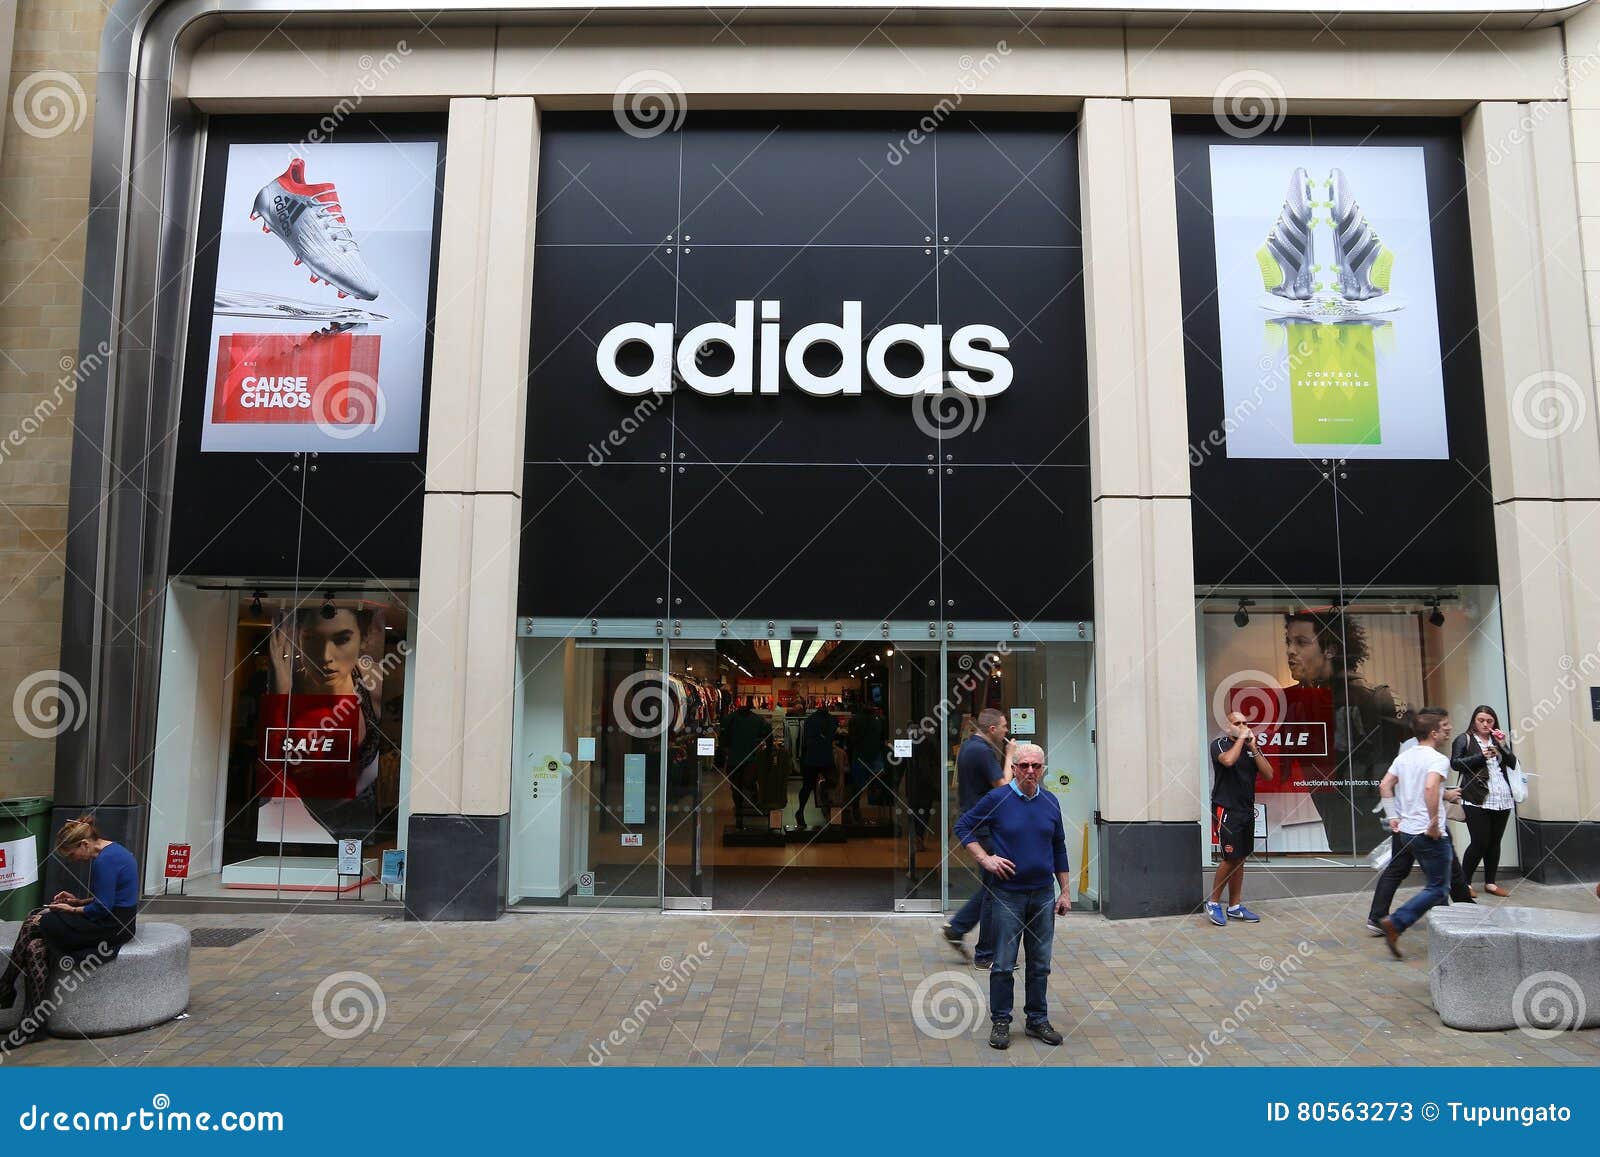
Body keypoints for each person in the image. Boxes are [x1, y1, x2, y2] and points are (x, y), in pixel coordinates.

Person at [954, 742, 1071, 1049]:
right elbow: (963, 825)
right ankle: (1001, 1022)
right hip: (1008, 895)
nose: (1030, 771)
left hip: (1043, 895)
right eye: (1024, 766)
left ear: (1043, 769)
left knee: (1040, 963)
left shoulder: (1050, 802)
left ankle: (1037, 1020)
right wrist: (985, 859)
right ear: (1015, 768)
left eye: (1036, 766)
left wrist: (1065, 891)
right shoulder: (998, 798)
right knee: (1003, 963)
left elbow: (1059, 846)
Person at [1, 816, 138, 1046]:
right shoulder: (112, 852)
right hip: (112, 920)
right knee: (35, 948)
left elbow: (102, 908)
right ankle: (32, 1026)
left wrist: (71, 910)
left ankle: (6, 985)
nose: (73, 860)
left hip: (110, 927)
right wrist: (76, 902)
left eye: (72, 854)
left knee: (35, 919)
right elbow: (106, 899)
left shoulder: (105, 860)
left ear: (84, 844)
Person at [1281, 611, 1404, 855]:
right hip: (1335, 820)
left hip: (1372, 818)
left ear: (1331, 650)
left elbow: (1390, 763)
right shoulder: (1295, 702)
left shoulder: (1372, 697)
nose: (1290, 651)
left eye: (1301, 642)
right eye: (1288, 642)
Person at [1376, 708, 1459, 959]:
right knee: (1438, 888)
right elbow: (1431, 786)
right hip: (1428, 833)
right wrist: (1434, 822)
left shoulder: (1405, 756)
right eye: (1444, 725)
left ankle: (1445, 935)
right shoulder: (1437, 759)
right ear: (1433, 732)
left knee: (1436, 884)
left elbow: (1385, 785)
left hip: (1407, 833)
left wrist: (1393, 817)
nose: (1449, 729)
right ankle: (1397, 922)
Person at [942, 708, 1013, 967]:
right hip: (982, 826)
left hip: (975, 822)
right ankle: (986, 954)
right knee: (994, 889)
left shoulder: (970, 746)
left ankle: (958, 928)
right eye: (1004, 726)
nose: (1007, 731)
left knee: (991, 885)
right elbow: (1004, 787)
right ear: (992, 729)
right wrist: (1011, 757)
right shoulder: (983, 752)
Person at [1205, 710, 1275, 925]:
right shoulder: (1220, 744)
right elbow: (1227, 761)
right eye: (1237, 723)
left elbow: (1268, 774)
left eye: (1245, 722)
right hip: (1226, 809)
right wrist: (1241, 739)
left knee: (1241, 856)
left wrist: (1253, 746)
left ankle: (1235, 906)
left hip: (1246, 809)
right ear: (1228, 727)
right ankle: (1213, 902)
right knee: (1229, 858)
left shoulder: (1250, 747)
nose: (1243, 725)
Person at [1451, 705, 1517, 897]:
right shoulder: (1464, 739)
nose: (1485, 724)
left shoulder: (1498, 741)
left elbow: (1512, 763)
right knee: (1480, 841)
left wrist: (1503, 745)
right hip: (1476, 798)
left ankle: (1490, 883)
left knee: (1495, 842)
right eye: (1481, 720)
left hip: (1501, 796)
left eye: (1489, 721)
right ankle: (1464, 883)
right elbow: (1455, 763)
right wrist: (1481, 756)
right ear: (1474, 720)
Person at [795, 703, 837, 829]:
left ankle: (801, 811)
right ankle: (827, 810)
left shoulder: (809, 720)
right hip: (824, 757)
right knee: (830, 784)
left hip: (811, 758)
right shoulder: (832, 720)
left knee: (807, 786)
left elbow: (804, 741)